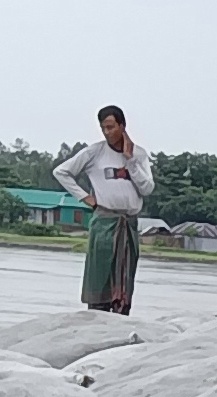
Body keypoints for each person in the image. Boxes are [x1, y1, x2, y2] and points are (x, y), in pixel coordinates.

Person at [53, 106, 154, 315]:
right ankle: (96, 315)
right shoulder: (94, 152)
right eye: (103, 128)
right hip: (105, 222)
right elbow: (61, 172)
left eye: (111, 127)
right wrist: (85, 197)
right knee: (100, 276)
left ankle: (121, 315)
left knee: (124, 279)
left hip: (128, 224)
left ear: (122, 126)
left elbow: (147, 188)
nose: (107, 132)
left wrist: (130, 161)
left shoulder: (139, 155)